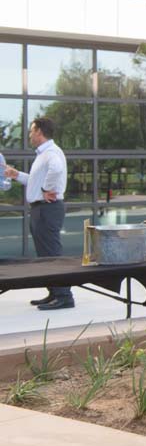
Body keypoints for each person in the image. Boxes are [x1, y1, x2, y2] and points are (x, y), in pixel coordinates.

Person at [4, 117, 71, 310]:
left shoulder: (51, 153)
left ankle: (65, 296)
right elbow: (34, 182)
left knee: (52, 254)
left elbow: (56, 169)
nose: (30, 135)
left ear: (40, 131)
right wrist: (16, 175)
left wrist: (46, 188)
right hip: (41, 208)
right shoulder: (43, 154)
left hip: (47, 208)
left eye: (32, 131)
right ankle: (54, 292)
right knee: (45, 256)